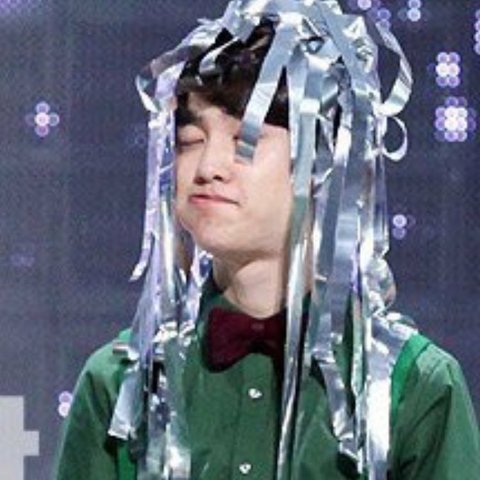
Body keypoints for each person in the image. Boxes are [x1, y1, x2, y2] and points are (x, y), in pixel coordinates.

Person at [54, 1, 480, 479]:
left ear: (325, 165)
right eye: (191, 140)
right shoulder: (122, 387)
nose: (209, 167)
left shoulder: (410, 389)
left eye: (246, 140)